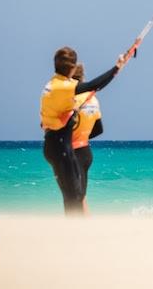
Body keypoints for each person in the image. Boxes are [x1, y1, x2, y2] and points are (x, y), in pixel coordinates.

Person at [40, 46, 126, 215]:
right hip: (61, 147)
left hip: (54, 143)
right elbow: (95, 85)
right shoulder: (64, 88)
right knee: (75, 197)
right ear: (72, 68)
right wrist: (117, 67)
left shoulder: (52, 85)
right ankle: (75, 232)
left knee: (72, 195)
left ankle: (73, 231)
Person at [71, 63, 105, 214]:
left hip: (73, 151)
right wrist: (83, 135)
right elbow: (99, 129)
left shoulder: (72, 99)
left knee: (72, 196)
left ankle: (77, 228)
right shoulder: (93, 99)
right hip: (86, 151)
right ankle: (86, 227)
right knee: (81, 194)